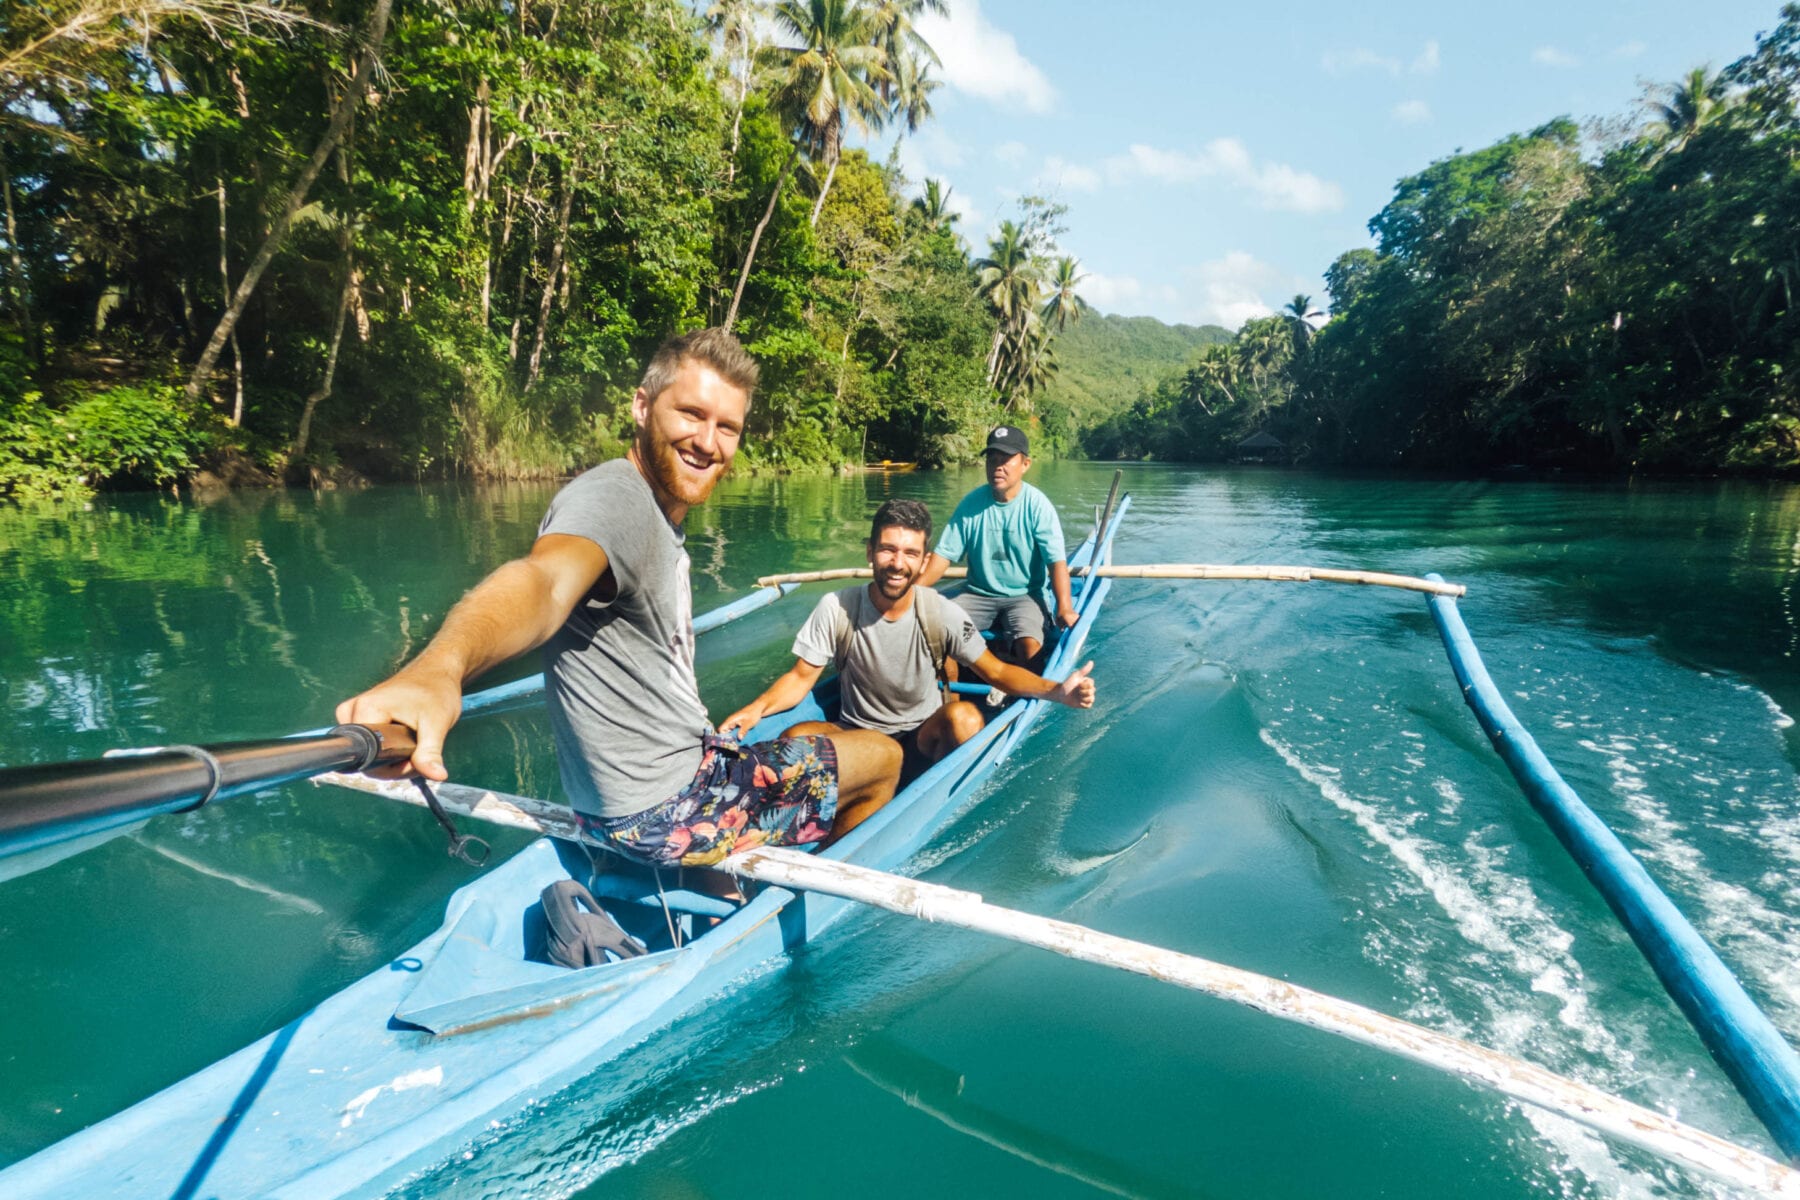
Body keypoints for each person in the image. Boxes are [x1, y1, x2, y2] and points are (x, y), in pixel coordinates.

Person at [335, 328, 903, 868]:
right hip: (665, 811)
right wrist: (441, 668)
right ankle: (797, 891)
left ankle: (722, 874)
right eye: (691, 413)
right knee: (883, 757)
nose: (708, 443)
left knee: (806, 739)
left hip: (623, 802)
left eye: (727, 427)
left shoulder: (648, 505)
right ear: (641, 406)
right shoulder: (617, 500)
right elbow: (543, 581)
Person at [719, 498, 1095, 776]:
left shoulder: (940, 611)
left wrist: (1056, 690)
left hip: (919, 739)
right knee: (795, 735)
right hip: (857, 735)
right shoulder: (837, 607)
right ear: (870, 552)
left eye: (910, 553)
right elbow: (801, 678)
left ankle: (936, 784)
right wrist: (756, 709)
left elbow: (995, 673)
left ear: (923, 561)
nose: (898, 563)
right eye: (888, 550)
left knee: (964, 716)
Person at [917, 424, 1077, 666]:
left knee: (1029, 646)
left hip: (1025, 595)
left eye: (1006, 459)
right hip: (977, 594)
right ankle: (951, 698)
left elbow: (1056, 563)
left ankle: (1021, 688)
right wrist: (910, 594)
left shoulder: (1037, 506)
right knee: (939, 632)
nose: (997, 466)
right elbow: (942, 557)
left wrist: (1064, 607)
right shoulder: (971, 504)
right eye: (992, 459)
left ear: (1025, 464)